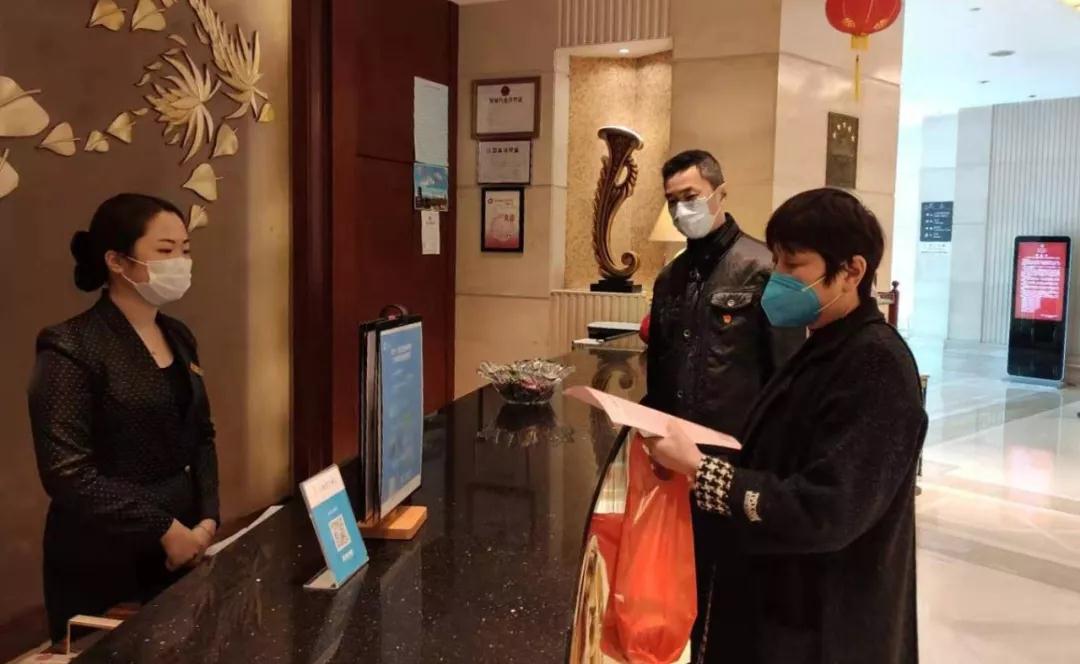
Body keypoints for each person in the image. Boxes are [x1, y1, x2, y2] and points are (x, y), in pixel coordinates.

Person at [645, 188, 927, 664]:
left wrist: (704, 471)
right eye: (776, 261)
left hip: (824, 623)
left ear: (851, 271)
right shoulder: (824, 343)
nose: (776, 278)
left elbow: (827, 509)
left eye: (792, 265)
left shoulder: (876, 363)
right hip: (779, 603)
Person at [28, 194, 220, 644]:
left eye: (186, 250)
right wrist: (164, 529)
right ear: (117, 261)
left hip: (183, 547)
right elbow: (67, 473)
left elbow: (201, 435)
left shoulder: (178, 335)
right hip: (104, 555)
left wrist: (208, 519)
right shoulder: (70, 346)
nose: (181, 263)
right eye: (165, 250)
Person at [644, 149, 804, 650]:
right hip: (680, 462)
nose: (680, 210)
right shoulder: (669, 278)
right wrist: (652, 433)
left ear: (719, 193)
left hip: (739, 464)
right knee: (684, 587)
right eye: (672, 201)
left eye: (690, 196)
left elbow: (787, 378)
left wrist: (773, 466)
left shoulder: (764, 269)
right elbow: (660, 367)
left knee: (737, 597)